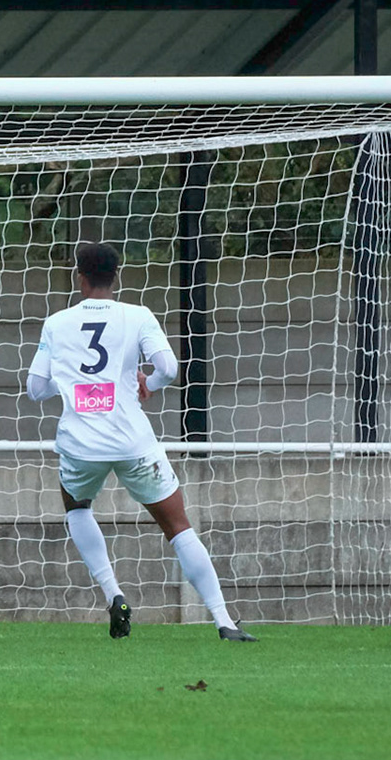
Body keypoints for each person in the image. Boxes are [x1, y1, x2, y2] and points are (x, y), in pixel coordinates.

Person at [27, 241, 255, 641]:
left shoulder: (57, 323)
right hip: (133, 442)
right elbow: (169, 368)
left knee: (77, 507)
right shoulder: (137, 315)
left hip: (81, 445)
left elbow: (35, 388)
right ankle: (224, 622)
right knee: (179, 526)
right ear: (117, 277)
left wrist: (74, 384)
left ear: (79, 277)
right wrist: (146, 383)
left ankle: (114, 594)